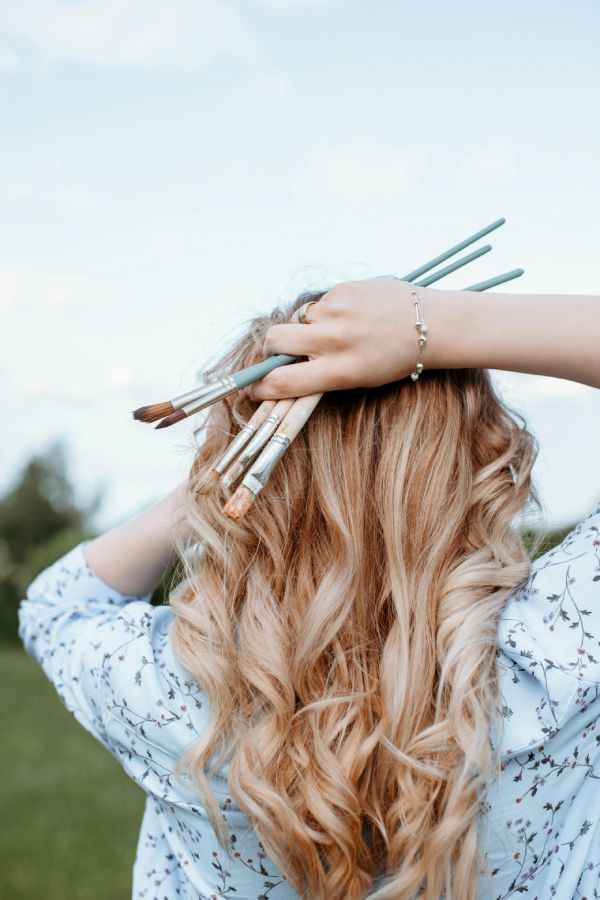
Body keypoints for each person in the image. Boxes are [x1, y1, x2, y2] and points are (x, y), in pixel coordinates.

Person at [18, 277, 600, 900]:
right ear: (478, 455)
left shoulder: (166, 687)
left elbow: (57, 604)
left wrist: (222, 476)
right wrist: (433, 327)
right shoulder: (562, 644)